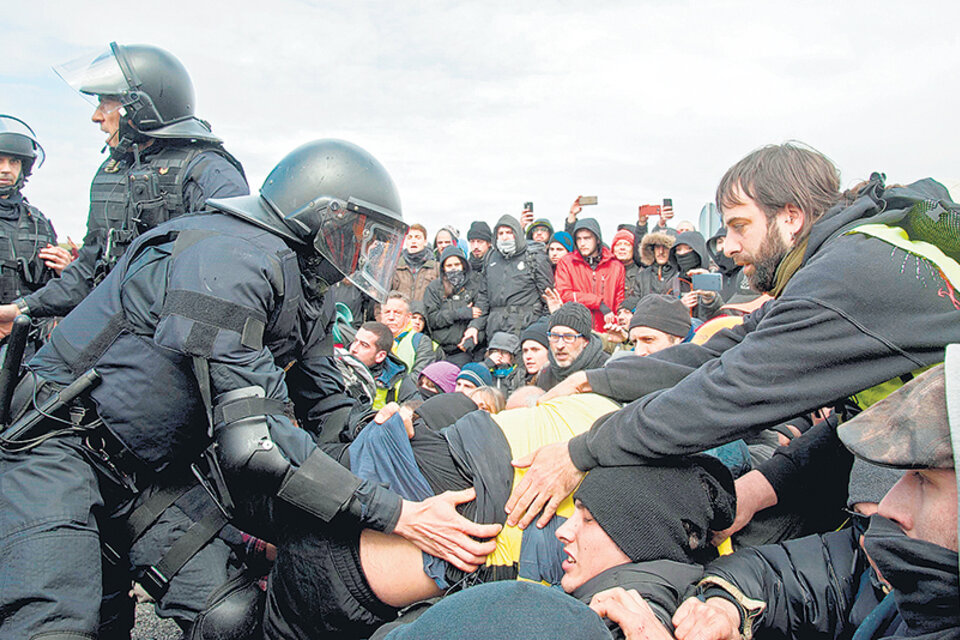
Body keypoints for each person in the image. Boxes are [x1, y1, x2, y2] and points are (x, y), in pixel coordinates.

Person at [0, 140, 501, 639]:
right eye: (357, 235)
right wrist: (398, 514)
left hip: (152, 471)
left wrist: (379, 425)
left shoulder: (306, 292)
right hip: (60, 448)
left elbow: (327, 404)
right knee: (54, 625)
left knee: (230, 616)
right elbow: (254, 445)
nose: (363, 252)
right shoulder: (224, 256)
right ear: (321, 219)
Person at [505, 142, 960, 532]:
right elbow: (718, 352)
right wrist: (598, 381)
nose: (727, 245)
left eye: (740, 225)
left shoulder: (845, 280)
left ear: (792, 217)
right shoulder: (845, 259)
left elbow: (725, 393)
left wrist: (582, 451)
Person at [666, 359, 958, 640]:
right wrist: (726, 606)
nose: (888, 507)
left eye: (923, 479)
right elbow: (773, 574)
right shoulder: (883, 562)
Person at [0, 43, 248, 334]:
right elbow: (89, 269)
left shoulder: (208, 172)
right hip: (116, 330)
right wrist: (22, 308)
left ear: (139, 108)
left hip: (174, 339)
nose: (96, 116)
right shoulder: (112, 173)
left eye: (106, 102)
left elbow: (233, 274)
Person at [0, 116, 70, 349]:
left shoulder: (38, 222)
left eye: (14, 162)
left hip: (29, 343)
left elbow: (55, 293)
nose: (6, 169)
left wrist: (66, 271)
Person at [484, 214, 554, 336]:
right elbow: (483, 296)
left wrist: (541, 328)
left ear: (517, 233)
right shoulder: (490, 258)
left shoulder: (535, 257)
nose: (505, 237)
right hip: (495, 328)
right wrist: (475, 326)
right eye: (500, 233)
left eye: (509, 232)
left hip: (526, 328)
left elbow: (548, 297)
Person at [555, 218, 626, 333]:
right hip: (576, 330)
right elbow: (564, 294)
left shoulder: (616, 266)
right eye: (579, 239)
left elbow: (619, 300)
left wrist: (619, 325)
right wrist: (597, 302)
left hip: (607, 330)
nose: (582, 243)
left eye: (587, 238)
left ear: (597, 239)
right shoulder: (566, 262)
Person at [423, 246, 487, 366]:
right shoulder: (434, 288)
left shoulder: (476, 284)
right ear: (443, 268)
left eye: (457, 264)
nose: (453, 268)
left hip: (467, 349)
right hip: (440, 349)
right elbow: (432, 319)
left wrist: (472, 340)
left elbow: (481, 314)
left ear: (463, 265)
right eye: (449, 266)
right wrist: (460, 313)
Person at [536, 302, 609, 391]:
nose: (560, 345)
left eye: (569, 337)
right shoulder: (545, 375)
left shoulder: (606, 371)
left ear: (585, 341)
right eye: (554, 336)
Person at [350, 321, 418, 410]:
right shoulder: (337, 364)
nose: (354, 348)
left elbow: (417, 413)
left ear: (380, 356)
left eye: (364, 345)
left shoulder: (398, 380)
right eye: (355, 341)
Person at [380, 291, 437, 377]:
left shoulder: (420, 341)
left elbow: (419, 377)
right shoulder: (372, 338)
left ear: (408, 317)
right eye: (387, 312)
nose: (391, 317)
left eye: (397, 313)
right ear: (381, 315)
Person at [669, 230, 723, 321]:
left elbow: (726, 316)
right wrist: (678, 307)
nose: (682, 253)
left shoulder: (717, 278)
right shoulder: (673, 283)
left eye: (689, 248)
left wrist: (710, 299)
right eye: (678, 250)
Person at [389, 223, 438, 303]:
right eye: (410, 238)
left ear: (425, 242)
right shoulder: (394, 267)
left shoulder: (436, 268)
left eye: (417, 237)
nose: (413, 241)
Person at [635, 230, 676, 299]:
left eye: (665, 247)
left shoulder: (679, 273)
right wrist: (624, 308)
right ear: (652, 250)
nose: (661, 252)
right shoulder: (643, 275)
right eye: (657, 247)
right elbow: (634, 299)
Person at [483, 331, 525, 395]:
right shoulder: (485, 370)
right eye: (494, 351)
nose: (499, 356)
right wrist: (488, 364)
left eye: (504, 352)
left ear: (512, 356)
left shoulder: (519, 374)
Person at [520, 320, 551, 386]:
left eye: (535, 350)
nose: (528, 356)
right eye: (525, 351)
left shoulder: (558, 383)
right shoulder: (518, 381)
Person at [612, 228, 640, 299]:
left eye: (627, 244)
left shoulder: (641, 273)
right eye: (618, 244)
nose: (622, 248)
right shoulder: (605, 272)